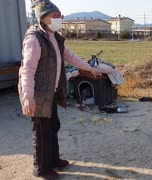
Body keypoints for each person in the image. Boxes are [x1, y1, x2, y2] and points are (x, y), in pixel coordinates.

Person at [18, 0, 101, 178]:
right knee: (41, 132)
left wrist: (89, 68)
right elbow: (27, 70)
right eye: (55, 16)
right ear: (44, 18)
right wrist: (28, 97)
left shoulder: (54, 37)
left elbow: (70, 56)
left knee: (53, 126)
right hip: (38, 94)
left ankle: (53, 159)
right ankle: (41, 168)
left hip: (51, 93)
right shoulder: (34, 39)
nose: (59, 19)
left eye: (59, 16)